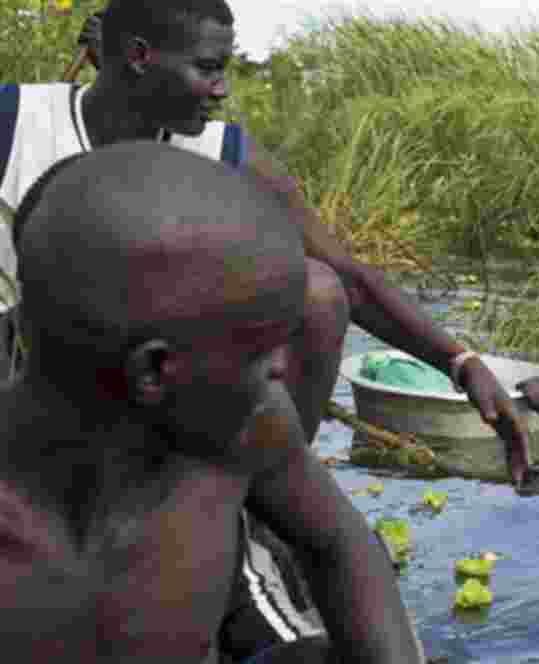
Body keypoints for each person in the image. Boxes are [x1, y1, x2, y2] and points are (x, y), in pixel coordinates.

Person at [0, 141, 422, 662]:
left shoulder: (249, 430)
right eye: (260, 351)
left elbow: (339, 542)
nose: (282, 371)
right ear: (154, 372)